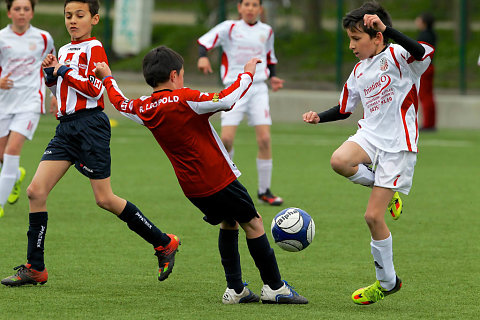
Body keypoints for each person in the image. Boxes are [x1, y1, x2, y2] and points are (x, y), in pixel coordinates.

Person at [94, 45, 308, 304]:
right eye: (182, 73)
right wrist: (247, 75)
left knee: (228, 222)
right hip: (218, 178)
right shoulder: (185, 98)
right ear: (174, 75)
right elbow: (227, 100)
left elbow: (120, 103)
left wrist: (107, 78)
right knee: (254, 222)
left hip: (192, 188)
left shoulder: (144, 107)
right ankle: (275, 287)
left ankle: (235, 290)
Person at [1, 0, 179, 287]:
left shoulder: (94, 48)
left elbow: (97, 89)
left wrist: (62, 71)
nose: (73, 20)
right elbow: (62, 89)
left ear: (94, 19)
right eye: (68, 15)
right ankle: (36, 268)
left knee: (104, 199)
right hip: (66, 128)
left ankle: (164, 242)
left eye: (80, 15)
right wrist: (50, 75)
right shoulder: (63, 50)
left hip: (90, 126)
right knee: (35, 192)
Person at [303, 1, 434, 305]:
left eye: (356, 38)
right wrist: (319, 116)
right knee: (339, 160)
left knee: (373, 217)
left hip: (398, 144)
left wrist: (389, 30)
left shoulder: (400, 55)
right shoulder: (360, 70)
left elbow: (423, 51)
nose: (351, 45)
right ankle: (385, 189)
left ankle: (387, 282)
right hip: (370, 135)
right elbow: (346, 108)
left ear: (377, 36)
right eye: (349, 38)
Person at [197, 0, 285, 206]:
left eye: (255, 5)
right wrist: (203, 58)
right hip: (234, 89)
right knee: (226, 140)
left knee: (264, 140)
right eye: (246, 4)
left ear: (260, 9)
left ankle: (265, 191)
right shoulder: (229, 28)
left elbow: (269, 58)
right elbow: (204, 43)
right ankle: (224, 187)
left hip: (258, 89)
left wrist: (273, 77)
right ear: (239, 8)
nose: (250, 8)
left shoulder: (267, 30)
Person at [0, 0, 56, 218]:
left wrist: (55, 95)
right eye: (17, 9)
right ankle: (15, 176)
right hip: (4, 103)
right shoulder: (2, 38)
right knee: (3, 154)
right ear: (9, 13)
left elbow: (53, 64)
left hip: (30, 102)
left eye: (26, 9)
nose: (21, 13)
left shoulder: (43, 38)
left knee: (12, 151)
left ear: (32, 13)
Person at [415, 12, 437, 131]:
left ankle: (429, 124)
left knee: (425, 96)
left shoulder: (424, 36)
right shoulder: (431, 34)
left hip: (425, 68)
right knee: (428, 95)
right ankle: (430, 122)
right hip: (429, 67)